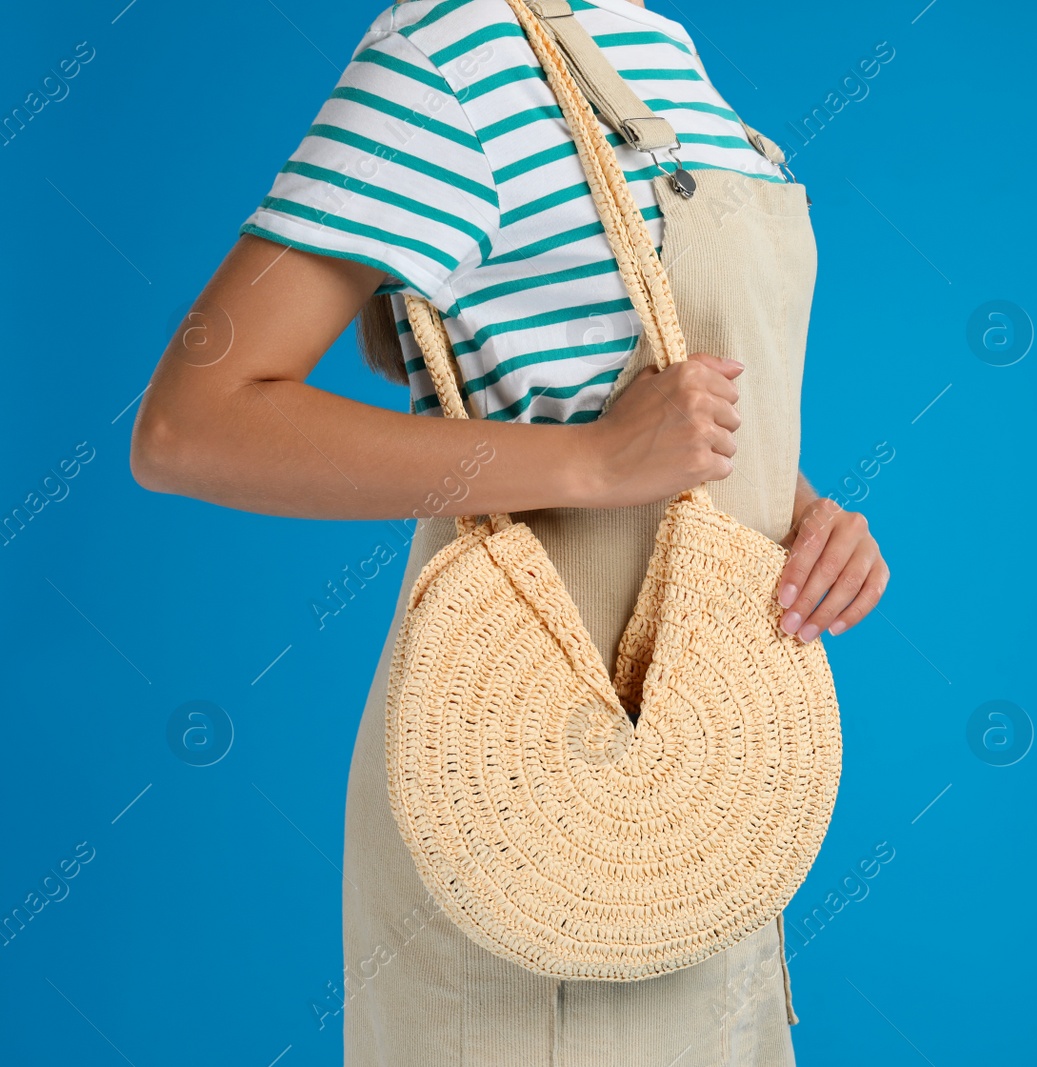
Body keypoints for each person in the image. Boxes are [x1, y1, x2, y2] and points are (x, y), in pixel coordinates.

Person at [129, 0, 889, 1063]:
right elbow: (189, 423)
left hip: (698, 784)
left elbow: (619, 371)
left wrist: (801, 508)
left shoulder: (658, 46)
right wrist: (588, 464)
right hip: (529, 777)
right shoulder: (445, 56)